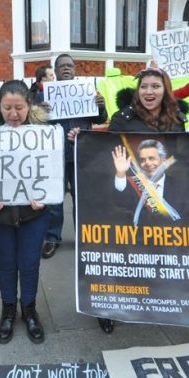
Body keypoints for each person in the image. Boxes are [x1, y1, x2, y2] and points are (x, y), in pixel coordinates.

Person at [69, 66, 189, 334]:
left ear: (165, 90)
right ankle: (108, 307)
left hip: (162, 202)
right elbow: (105, 154)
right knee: (121, 254)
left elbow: (183, 155)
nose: (149, 92)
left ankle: (153, 300)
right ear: (138, 91)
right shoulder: (123, 118)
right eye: (144, 86)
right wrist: (82, 139)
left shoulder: (177, 118)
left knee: (157, 254)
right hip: (126, 201)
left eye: (155, 86)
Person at [0, 80, 51, 344]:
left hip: (34, 214)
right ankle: (8, 310)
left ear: (29, 105)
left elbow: (53, 173)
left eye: (19, 107)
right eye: (7, 107)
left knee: (29, 264)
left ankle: (29, 309)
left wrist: (47, 199)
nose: (13, 114)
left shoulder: (43, 133)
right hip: (0, 215)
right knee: (7, 265)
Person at [42, 54, 107, 259]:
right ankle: (52, 238)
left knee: (82, 198)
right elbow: (34, 122)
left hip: (81, 153)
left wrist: (101, 105)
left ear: (75, 69)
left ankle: (83, 237)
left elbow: (101, 119)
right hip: (55, 156)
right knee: (55, 200)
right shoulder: (45, 96)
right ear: (56, 70)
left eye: (70, 65)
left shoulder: (88, 92)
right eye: (62, 66)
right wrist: (39, 111)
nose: (66, 69)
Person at [111, 139, 181, 226]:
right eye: (143, 160)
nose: (147, 163)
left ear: (163, 160)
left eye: (151, 158)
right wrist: (121, 173)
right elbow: (120, 202)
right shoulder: (133, 183)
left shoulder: (178, 185)